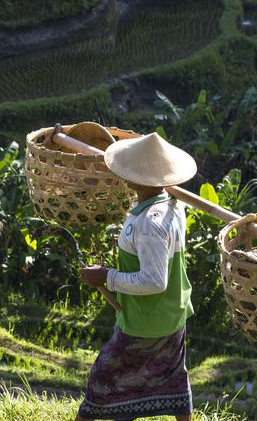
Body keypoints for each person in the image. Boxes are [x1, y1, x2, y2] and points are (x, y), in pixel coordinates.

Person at [76, 132, 197, 421]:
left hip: (145, 321)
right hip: (171, 314)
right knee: (173, 376)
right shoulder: (172, 205)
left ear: (144, 180)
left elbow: (154, 281)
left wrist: (107, 276)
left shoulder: (149, 224)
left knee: (102, 377)